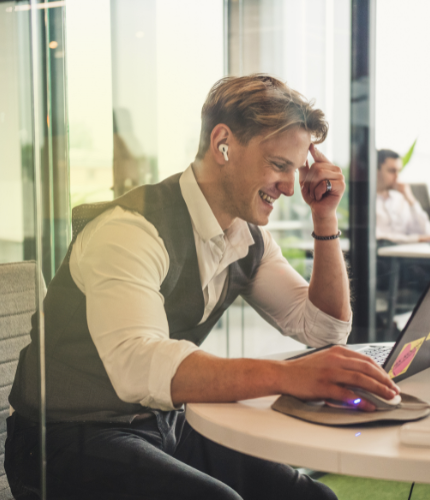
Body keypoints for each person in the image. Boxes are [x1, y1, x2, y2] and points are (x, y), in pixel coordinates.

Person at [6, 75, 399, 500]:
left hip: (164, 425)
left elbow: (323, 330)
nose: (289, 187)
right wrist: (288, 376)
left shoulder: (247, 238)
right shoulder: (129, 230)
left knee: (311, 497)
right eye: (278, 165)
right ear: (223, 143)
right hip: (62, 441)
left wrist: (325, 219)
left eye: (295, 168)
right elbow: (138, 366)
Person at [376, 149, 430, 243]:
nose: (397, 176)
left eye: (398, 171)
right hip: (385, 255)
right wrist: (422, 239)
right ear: (376, 171)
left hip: (409, 252)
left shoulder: (400, 199)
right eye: (392, 171)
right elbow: (380, 238)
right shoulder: (366, 203)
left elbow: (427, 232)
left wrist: (411, 200)